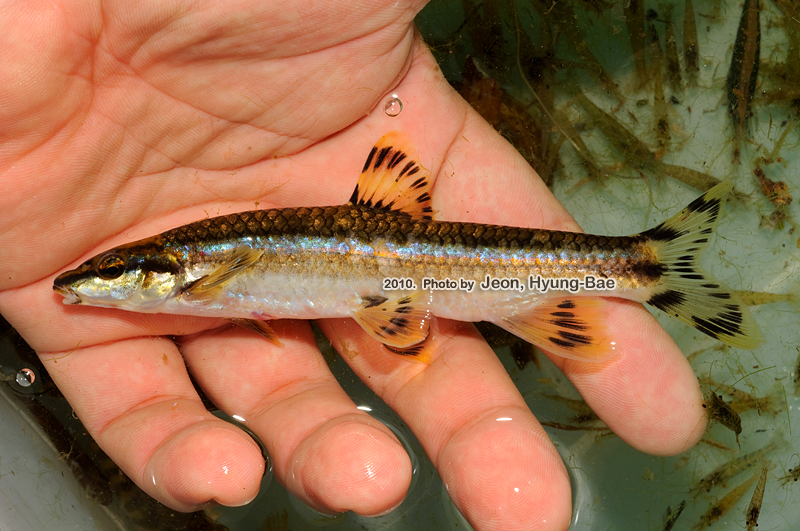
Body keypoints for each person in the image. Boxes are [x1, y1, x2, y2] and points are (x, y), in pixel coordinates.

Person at [0, 2, 706, 530]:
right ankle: (637, 265)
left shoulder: (194, 269)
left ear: (157, 272)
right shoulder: (189, 267)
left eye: (110, 275)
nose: (89, 286)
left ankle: (639, 264)